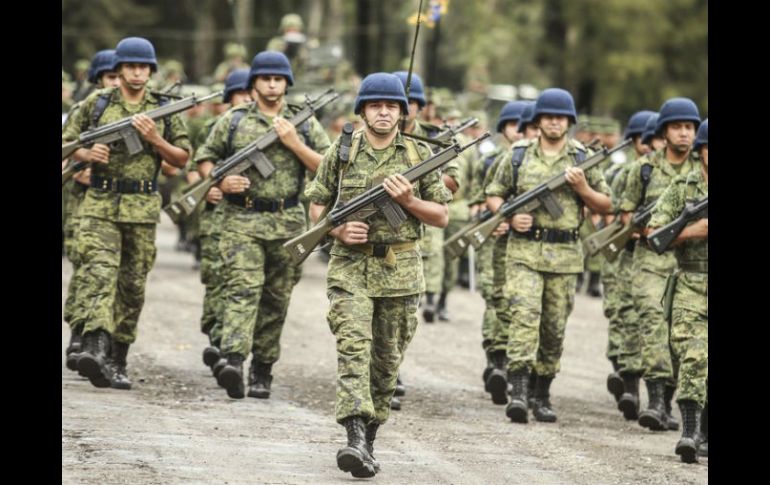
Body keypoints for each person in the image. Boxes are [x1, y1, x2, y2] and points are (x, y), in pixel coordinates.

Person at [305, 72, 451, 477]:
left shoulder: (420, 154)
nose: (383, 112)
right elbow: (317, 204)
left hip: (401, 270)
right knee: (354, 347)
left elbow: (441, 215)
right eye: (375, 105)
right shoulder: (344, 149)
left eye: (391, 106)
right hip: (350, 267)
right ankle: (352, 435)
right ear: (363, 110)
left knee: (385, 364)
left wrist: (409, 201)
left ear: (401, 112)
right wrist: (336, 229)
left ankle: (369, 438)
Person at [194, 51, 330, 400]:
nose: (272, 84)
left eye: (278, 78)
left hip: (287, 222)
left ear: (287, 83)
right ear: (253, 82)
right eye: (265, 78)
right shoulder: (234, 121)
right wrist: (220, 183)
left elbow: (328, 168)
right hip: (241, 219)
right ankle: (233, 360)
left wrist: (293, 142)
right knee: (243, 288)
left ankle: (262, 368)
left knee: (276, 297)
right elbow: (205, 158)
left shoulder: (304, 124)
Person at [62, 37, 191, 389]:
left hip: (142, 209)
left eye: (143, 67)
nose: (136, 72)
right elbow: (66, 143)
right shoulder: (97, 103)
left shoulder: (165, 107)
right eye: (130, 66)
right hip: (100, 204)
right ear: (118, 70)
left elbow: (181, 159)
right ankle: (95, 346)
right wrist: (86, 155)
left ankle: (118, 357)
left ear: (151, 71)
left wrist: (155, 140)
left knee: (132, 286)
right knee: (98, 274)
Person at [485, 88, 611, 423]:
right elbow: (494, 194)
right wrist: (510, 217)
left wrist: (583, 187)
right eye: (549, 116)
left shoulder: (583, 158)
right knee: (524, 318)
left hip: (566, 254)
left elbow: (606, 204)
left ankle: (542, 393)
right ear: (538, 120)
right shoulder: (518, 155)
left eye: (561, 117)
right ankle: (520, 392)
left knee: (553, 328)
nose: (555, 122)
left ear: (569, 122)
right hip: (523, 252)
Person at [618, 97, 701, 432]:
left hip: (689, 265)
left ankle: (672, 401)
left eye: (690, 127)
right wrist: (647, 230)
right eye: (677, 127)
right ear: (664, 131)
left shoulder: (701, 170)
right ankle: (655, 401)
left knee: (679, 335)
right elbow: (626, 214)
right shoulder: (644, 169)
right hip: (650, 260)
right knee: (653, 325)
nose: (684, 134)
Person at [648, 119, 708, 463]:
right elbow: (655, 236)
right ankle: (689, 432)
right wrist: (694, 230)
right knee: (694, 357)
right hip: (690, 283)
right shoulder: (681, 187)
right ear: (701, 152)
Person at [62, 49, 120, 372]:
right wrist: (80, 162)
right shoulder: (82, 111)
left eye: (117, 76)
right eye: (110, 77)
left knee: (105, 273)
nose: (115, 82)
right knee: (85, 268)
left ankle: (97, 339)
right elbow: (67, 148)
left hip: (115, 204)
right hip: (80, 200)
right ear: (98, 80)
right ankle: (78, 332)